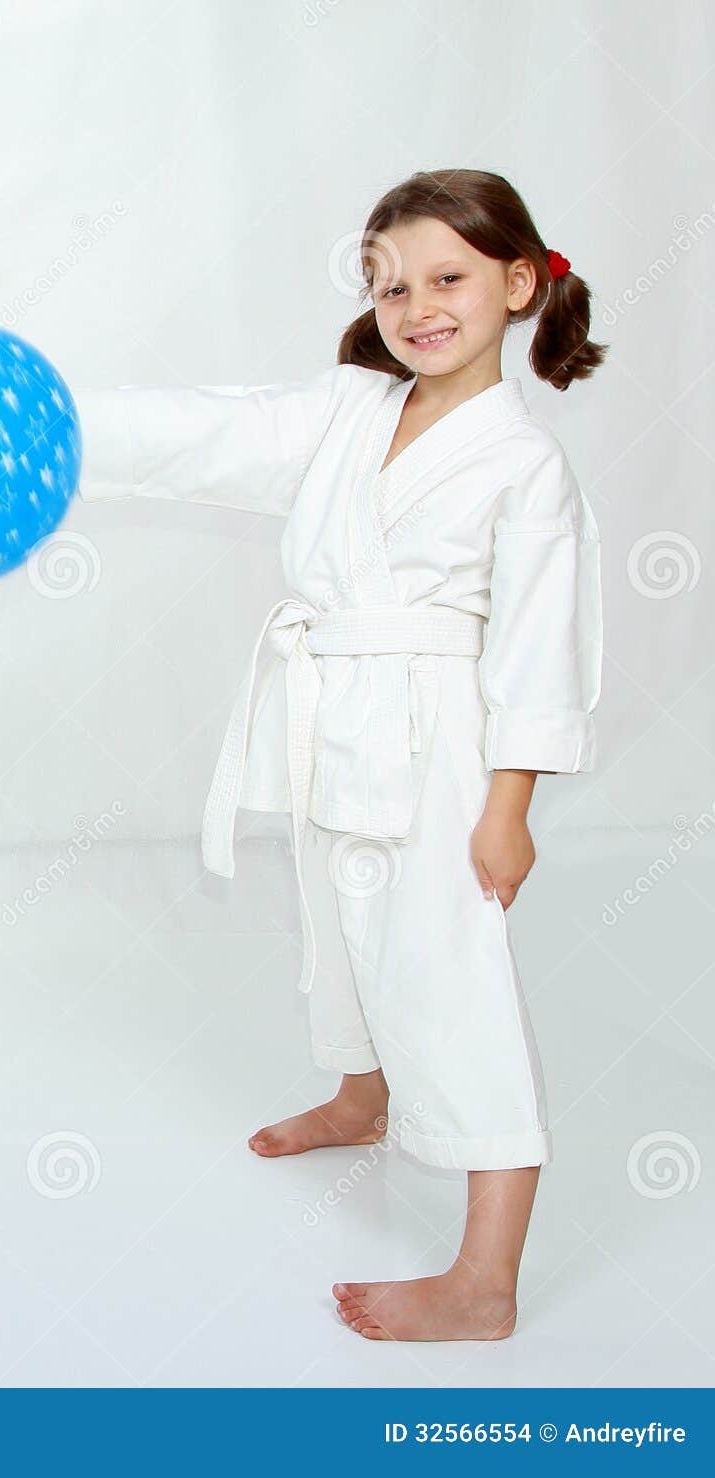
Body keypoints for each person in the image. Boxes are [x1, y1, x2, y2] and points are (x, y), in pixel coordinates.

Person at [74, 168, 605, 1340]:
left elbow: (534, 654)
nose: (414, 304)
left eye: (446, 278)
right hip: (333, 720)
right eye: (387, 282)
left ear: (518, 285)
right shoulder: (347, 411)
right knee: (338, 924)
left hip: (441, 749)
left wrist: (506, 806)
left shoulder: (523, 467)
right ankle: (364, 1097)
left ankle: (484, 1276)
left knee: (446, 972)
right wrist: (60, 423)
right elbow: (206, 430)